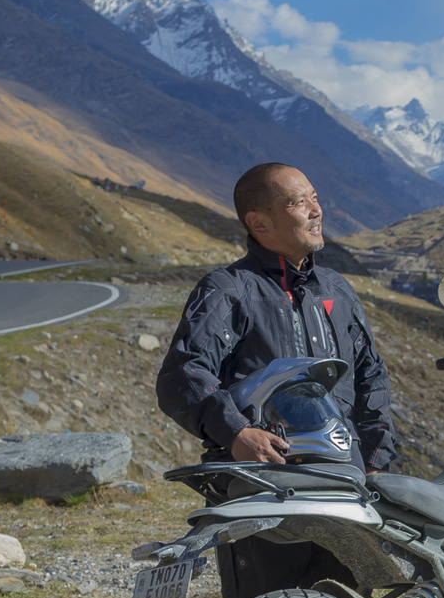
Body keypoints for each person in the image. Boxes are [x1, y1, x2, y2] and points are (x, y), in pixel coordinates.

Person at [157, 161, 398, 472]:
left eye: (315, 197)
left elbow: (371, 377)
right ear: (259, 223)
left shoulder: (337, 289)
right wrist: (236, 432)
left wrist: (376, 460)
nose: (316, 211)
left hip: (346, 473)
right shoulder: (229, 290)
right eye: (298, 202)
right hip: (265, 475)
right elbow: (181, 373)